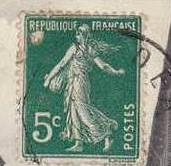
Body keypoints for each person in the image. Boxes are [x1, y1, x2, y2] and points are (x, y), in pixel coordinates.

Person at [43, 23, 125, 153]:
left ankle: (106, 132)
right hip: (77, 81)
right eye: (77, 34)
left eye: (78, 34)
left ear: (84, 35)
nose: (76, 36)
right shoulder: (90, 49)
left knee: (82, 109)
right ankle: (78, 142)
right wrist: (116, 72)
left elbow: (62, 64)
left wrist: (48, 79)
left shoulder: (75, 48)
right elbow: (103, 66)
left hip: (78, 82)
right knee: (74, 109)